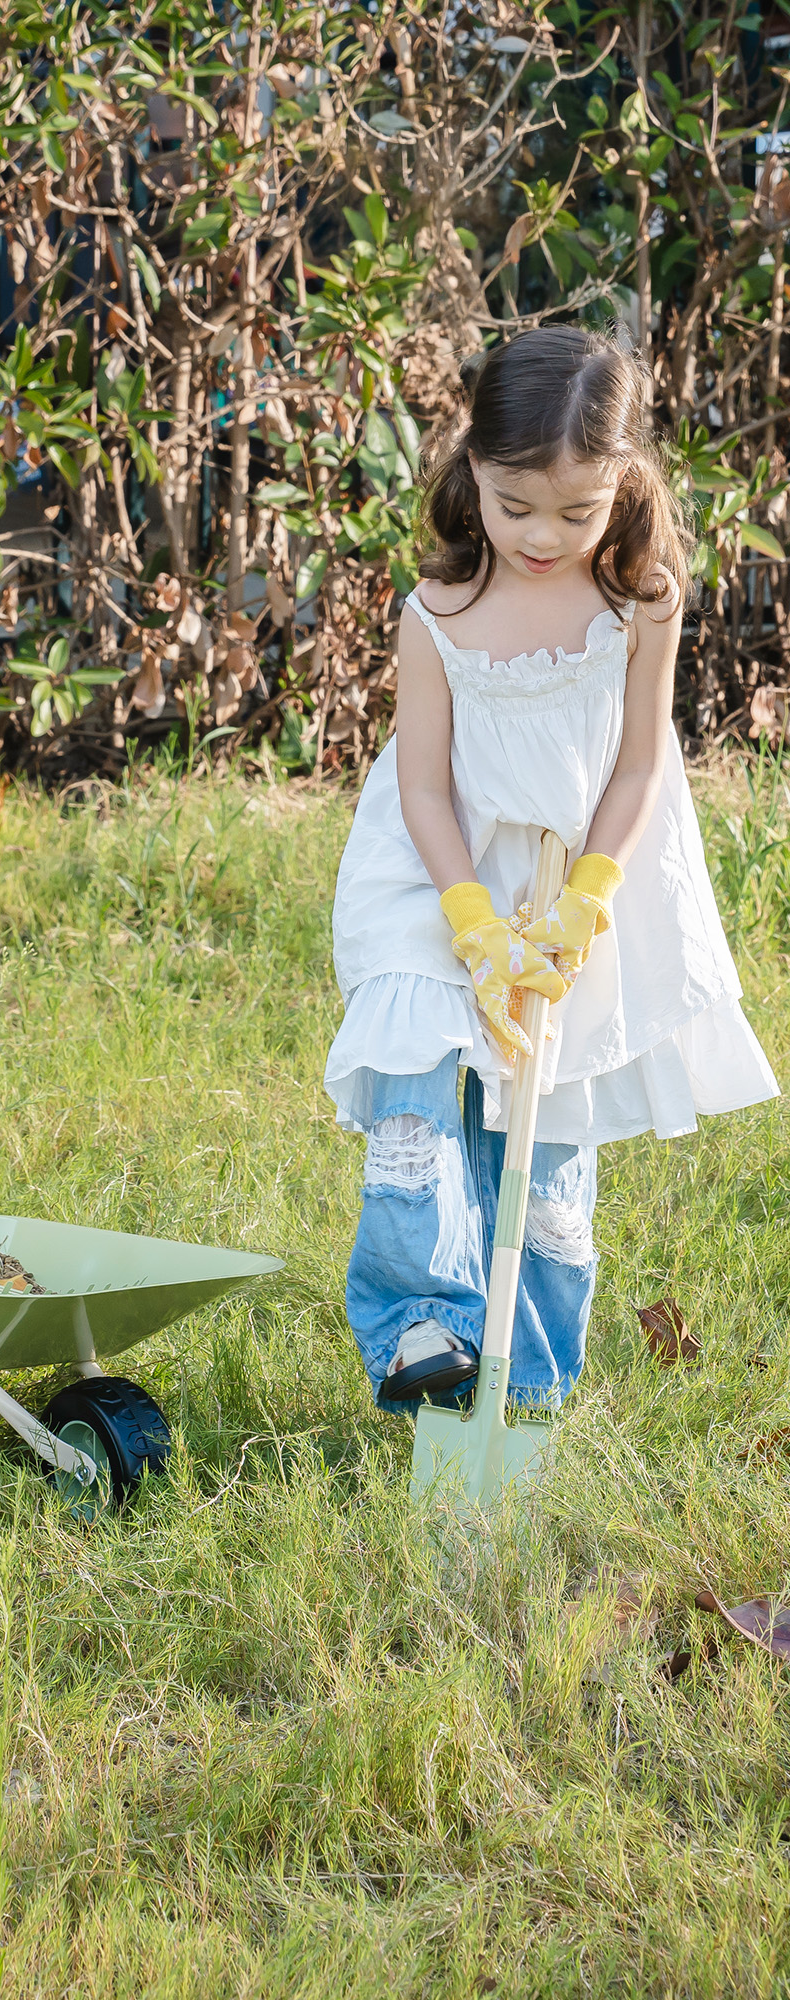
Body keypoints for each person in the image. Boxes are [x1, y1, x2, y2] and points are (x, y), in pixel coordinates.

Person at [326, 326, 776, 1412]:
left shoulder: (640, 603)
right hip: (437, 870)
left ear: (623, 481)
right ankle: (421, 1325)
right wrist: (472, 924)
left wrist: (586, 902)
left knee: (542, 1116)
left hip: (579, 874)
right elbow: (422, 789)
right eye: (513, 504)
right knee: (416, 1078)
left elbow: (640, 765)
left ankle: (523, 1376)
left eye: (577, 512)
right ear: (473, 469)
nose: (542, 535)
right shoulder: (437, 614)